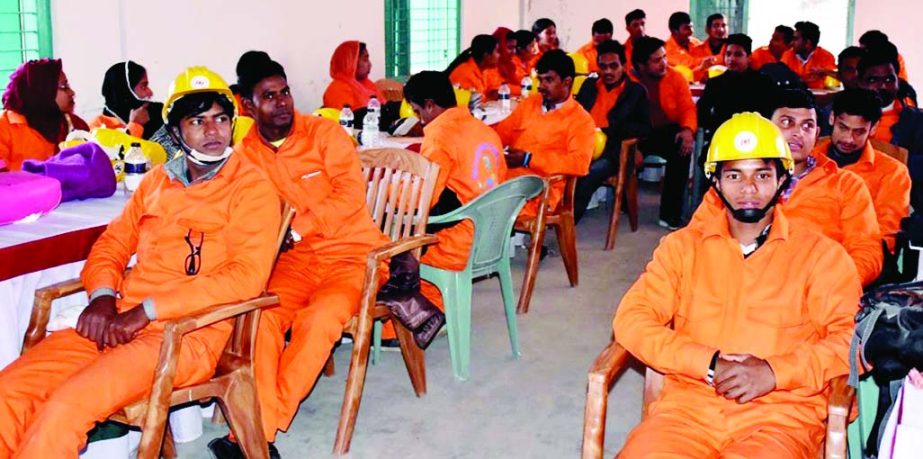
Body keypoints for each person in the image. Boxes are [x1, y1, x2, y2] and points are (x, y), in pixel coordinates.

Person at [0, 66, 282, 457]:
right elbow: (111, 245)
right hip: (119, 321)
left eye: (221, 118)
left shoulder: (252, 188)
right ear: (177, 130)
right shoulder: (155, 183)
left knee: (65, 408)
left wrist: (147, 312)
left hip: (186, 335)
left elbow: (244, 279)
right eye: (197, 121)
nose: (213, 130)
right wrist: (101, 297)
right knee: (9, 393)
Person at [614, 112, 861, 458]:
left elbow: (852, 341)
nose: (748, 189)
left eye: (762, 174)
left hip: (778, 419)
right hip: (686, 414)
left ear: (783, 180)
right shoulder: (682, 248)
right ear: (715, 182)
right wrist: (708, 363)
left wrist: (775, 372)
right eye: (734, 175)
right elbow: (631, 320)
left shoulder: (822, 257)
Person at [209, 53, 390, 456]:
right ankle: (257, 434)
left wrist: (296, 227)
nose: (283, 102)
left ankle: (256, 434)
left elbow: (348, 196)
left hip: (353, 256)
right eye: (269, 96)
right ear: (247, 106)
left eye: (285, 92)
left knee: (320, 320)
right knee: (262, 320)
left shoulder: (325, 135)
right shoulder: (244, 156)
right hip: (293, 263)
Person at [692, 90, 883, 286]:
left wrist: (833, 286)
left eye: (807, 126)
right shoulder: (736, 181)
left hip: (814, 291)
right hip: (735, 286)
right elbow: (695, 238)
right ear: (767, 129)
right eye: (786, 122)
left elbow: (866, 252)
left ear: (817, 134)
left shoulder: (847, 185)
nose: (798, 133)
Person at [403, 71, 507, 310]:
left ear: (430, 105)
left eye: (418, 112)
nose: (419, 120)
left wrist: (390, 188)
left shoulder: (440, 137)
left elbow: (422, 199)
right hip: (490, 237)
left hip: (457, 246)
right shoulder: (485, 131)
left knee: (387, 246)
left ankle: (404, 323)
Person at [493, 49, 595, 219]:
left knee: (488, 209)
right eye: (540, 79)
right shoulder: (530, 103)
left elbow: (580, 164)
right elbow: (501, 135)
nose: (541, 86)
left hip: (543, 190)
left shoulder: (581, 120)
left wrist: (529, 159)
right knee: (466, 194)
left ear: (567, 82)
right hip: (508, 180)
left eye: (549, 80)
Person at [816, 88, 910, 254]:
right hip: (802, 255)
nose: (848, 139)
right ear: (832, 118)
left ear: (873, 129)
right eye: (843, 128)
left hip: (858, 259)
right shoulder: (809, 159)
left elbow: (887, 234)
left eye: (859, 131)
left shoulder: (893, 173)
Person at [574, 39, 651, 222]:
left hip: (614, 151)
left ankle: (568, 221)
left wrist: (610, 128)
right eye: (603, 66)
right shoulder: (588, 87)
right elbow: (575, 116)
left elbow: (645, 128)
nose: (607, 71)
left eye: (613, 66)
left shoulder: (635, 91)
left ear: (624, 66)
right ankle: (553, 214)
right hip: (583, 145)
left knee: (588, 173)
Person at [629, 37, 697, 229]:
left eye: (665, 57)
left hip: (665, 131)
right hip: (634, 134)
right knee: (622, 151)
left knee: (682, 149)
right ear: (641, 65)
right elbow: (620, 120)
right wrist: (633, 148)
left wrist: (687, 130)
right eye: (657, 60)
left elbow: (688, 109)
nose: (664, 63)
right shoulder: (627, 81)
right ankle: (626, 206)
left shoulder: (676, 77)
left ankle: (670, 214)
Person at [857, 43, 923, 211]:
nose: (882, 86)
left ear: (898, 81)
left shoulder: (916, 120)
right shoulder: (840, 116)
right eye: (873, 80)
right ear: (860, 81)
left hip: (899, 198)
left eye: (889, 79)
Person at [0, 59, 89, 171]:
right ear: (42, 90)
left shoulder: (75, 125)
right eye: (63, 86)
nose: (72, 93)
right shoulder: (5, 126)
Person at [697, 34, 776, 136]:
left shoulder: (764, 82)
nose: (731, 59)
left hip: (757, 136)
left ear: (749, 57)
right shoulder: (715, 83)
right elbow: (701, 113)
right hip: (723, 137)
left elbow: (772, 114)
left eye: (738, 55)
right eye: (728, 54)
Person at [90, 61, 163, 139]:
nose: (150, 92)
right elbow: (118, 150)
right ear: (124, 91)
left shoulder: (158, 112)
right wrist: (135, 125)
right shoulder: (98, 126)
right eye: (143, 86)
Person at [322, 41, 383, 111]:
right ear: (351, 62)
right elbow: (347, 118)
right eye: (365, 59)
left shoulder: (367, 84)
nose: (370, 64)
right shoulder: (337, 89)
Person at [780, 21, 836, 89]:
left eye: (795, 39)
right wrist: (804, 80)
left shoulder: (826, 57)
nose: (791, 43)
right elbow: (782, 79)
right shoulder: (787, 55)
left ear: (807, 43)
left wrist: (825, 72)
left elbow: (834, 82)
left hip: (818, 98)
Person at [447, 34, 501, 100]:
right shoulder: (465, 73)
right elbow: (469, 104)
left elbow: (493, 92)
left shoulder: (484, 70)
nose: (499, 55)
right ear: (486, 55)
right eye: (497, 51)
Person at [664, 12, 712, 81]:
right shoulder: (667, 49)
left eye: (691, 27)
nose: (691, 31)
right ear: (675, 31)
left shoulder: (695, 42)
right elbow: (691, 64)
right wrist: (714, 59)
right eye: (686, 28)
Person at [493, 27, 522, 94]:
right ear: (499, 47)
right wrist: (524, 90)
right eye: (510, 47)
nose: (514, 51)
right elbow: (498, 89)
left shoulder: (509, 65)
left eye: (515, 47)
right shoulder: (490, 66)